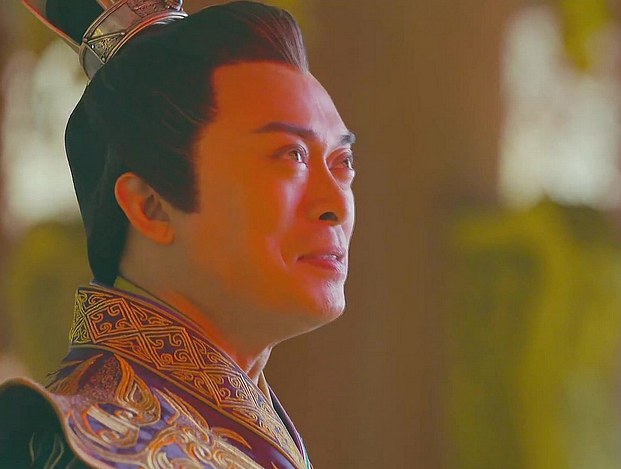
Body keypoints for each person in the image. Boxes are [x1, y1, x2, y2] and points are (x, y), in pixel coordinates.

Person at [0, 0, 356, 467]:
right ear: (150, 206)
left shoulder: (243, 438)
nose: (335, 205)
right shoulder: (83, 451)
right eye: (292, 156)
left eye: (343, 162)